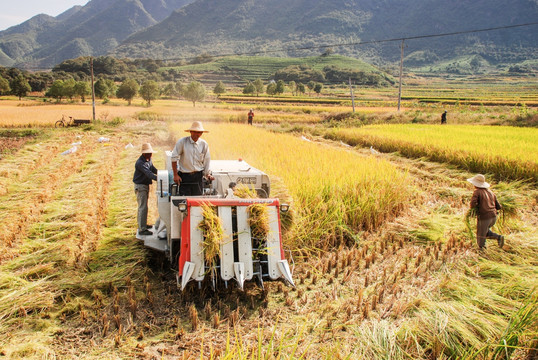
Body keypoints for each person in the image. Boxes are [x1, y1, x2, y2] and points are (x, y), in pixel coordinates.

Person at [171, 121, 213, 195]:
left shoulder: (204, 144)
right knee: (184, 202)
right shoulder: (182, 142)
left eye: (199, 132)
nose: (197, 134)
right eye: (195, 132)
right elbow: (174, 158)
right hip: (185, 176)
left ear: (201, 133)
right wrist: (175, 175)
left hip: (198, 177)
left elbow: (206, 160)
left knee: (197, 202)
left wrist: (207, 174)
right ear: (190, 132)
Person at [467, 174, 504, 250]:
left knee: (480, 236)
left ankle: (482, 250)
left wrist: (475, 210)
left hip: (485, 217)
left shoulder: (477, 192)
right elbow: (499, 206)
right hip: (493, 217)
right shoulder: (490, 192)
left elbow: (473, 204)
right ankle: (498, 237)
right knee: (485, 232)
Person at [133, 143, 158, 236]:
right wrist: (159, 178)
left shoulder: (148, 159)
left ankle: (143, 224)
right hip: (140, 186)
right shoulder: (140, 163)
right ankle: (142, 229)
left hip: (145, 185)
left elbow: (153, 169)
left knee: (144, 207)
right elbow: (149, 174)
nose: (150, 155)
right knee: (142, 207)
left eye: (151, 153)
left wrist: (161, 173)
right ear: (144, 154)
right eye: (148, 153)